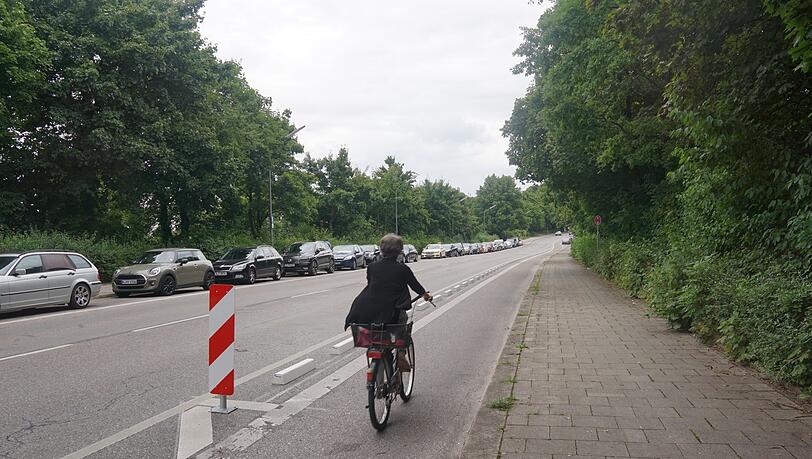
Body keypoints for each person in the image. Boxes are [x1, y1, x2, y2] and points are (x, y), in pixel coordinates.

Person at [344, 233, 432, 371]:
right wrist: (425, 295)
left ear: (381, 250)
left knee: (377, 334)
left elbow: (372, 285)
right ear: (400, 251)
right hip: (393, 312)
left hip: (370, 311)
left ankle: (378, 352)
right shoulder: (403, 269)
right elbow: (415, 286)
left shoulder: (372, 267)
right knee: (403, 324)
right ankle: (401, 352)